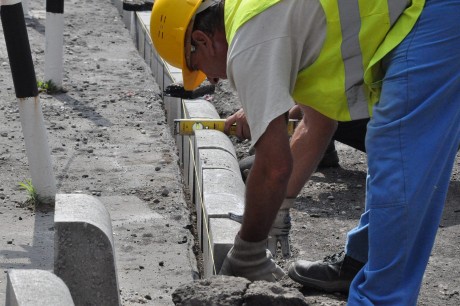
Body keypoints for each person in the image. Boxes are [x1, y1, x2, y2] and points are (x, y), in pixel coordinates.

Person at [150, 0, 460, 304]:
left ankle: (379, 299)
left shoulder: (249, 39)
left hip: (435, 13)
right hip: (423, 13)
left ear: (202, 41)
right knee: (395, 157)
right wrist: (277, 209)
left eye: (200, 69)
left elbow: (274, 167)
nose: (213, 79)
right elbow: (319, 123)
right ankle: (360, 262)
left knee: (399, 158)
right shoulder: (262, 15)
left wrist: (247, 252)